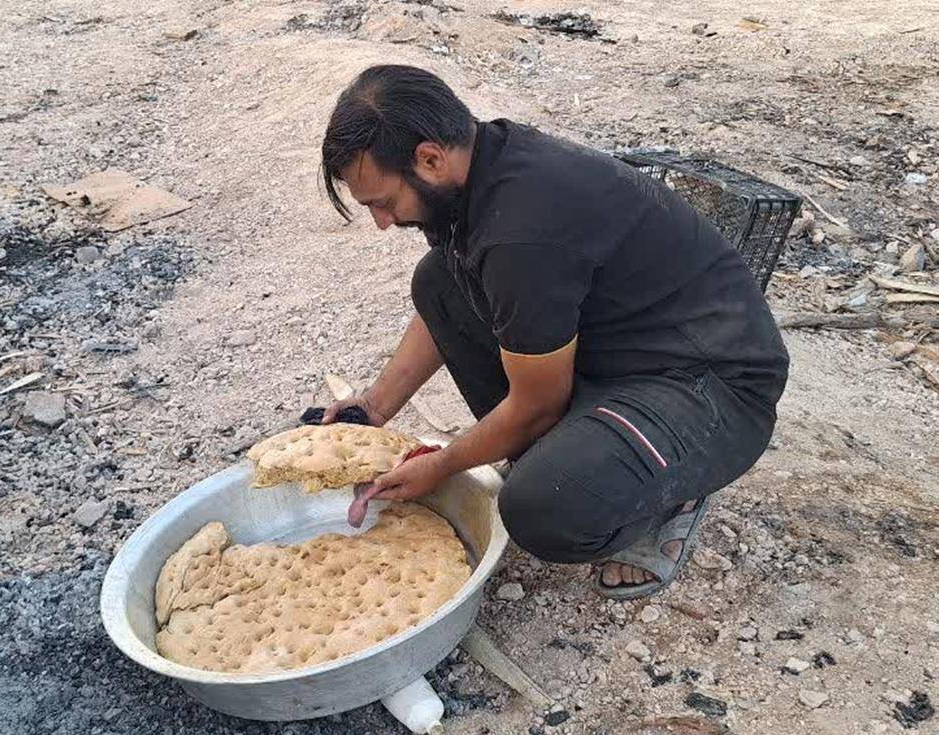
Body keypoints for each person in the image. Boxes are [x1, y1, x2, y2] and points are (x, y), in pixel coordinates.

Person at [317, 64, 788, 599]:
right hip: (620, 356)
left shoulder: (523, 231)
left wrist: (442, 464)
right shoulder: (480, 167)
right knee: (439, 281)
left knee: (542, 508)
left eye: (383, 202)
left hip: (711, 387)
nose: (383, 222)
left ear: (429, 158)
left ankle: (667, 496)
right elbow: (448, 298)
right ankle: (592, 454)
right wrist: (374, 408)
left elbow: (537, 404)